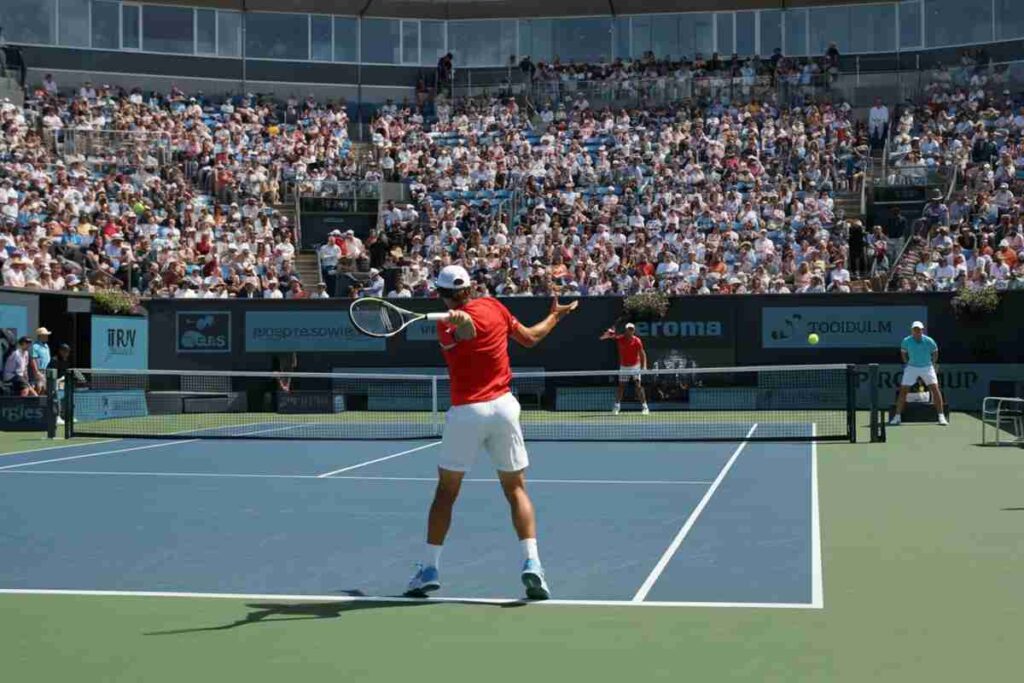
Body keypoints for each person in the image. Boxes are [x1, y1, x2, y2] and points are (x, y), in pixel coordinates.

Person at [406, 265, 577, 601]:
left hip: (467, 413)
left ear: (440, 295)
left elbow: (467, 334)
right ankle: (533, 563)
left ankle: (429, 568)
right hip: (504, 409)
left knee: (446, 493)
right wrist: (555, 317)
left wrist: (460, 323)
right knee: (516, 489)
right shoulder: (495, 306)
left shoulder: (444, 326)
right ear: (470, 288)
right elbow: (529, 338)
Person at [890, 321, 947, 426]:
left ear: (922, 330)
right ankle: (897, 417)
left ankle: (941, 416)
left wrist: (932, 364)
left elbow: (935, 352)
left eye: (919, 329)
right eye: (915, 329)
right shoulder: (906, 341)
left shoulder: (929, 341)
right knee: (903, 391)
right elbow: (903, 353)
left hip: (927, 367)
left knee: (935, 389)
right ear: (912, 330)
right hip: (912, 367)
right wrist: (907, 364)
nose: (917, 331)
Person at [600, 323, 650, 415]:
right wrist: (608, 333)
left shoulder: (637, 341)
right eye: (628, 329)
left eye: (631, 329)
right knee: (621, 386)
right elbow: (603, 337)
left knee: (638, 386)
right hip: (624, 366)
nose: (630, 331)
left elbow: (642, 354)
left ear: (633, 331)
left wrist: (644, 366)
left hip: (635, 366)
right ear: (626, 330)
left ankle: (645, 407)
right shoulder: (620, 338)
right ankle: (616, 407)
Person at [30, 327, 51, 393]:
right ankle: (36, 402)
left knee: (44, 388)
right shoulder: (35, 346)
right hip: (39, 371)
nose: (47, 336)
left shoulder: (46, 345)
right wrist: (36, 372)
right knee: (39, 388)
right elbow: (33, 359)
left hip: (46, 371)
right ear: (40, 336)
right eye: (45, 335)